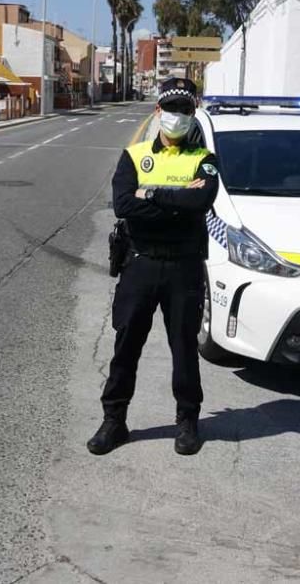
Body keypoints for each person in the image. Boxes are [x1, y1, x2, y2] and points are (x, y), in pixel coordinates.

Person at [87, 77, 219, 457]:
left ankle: (188, 421)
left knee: (183, 348)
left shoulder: (205, 160)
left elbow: (202, 203)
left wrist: (153, 195)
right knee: (126, 345)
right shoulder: (135, 155)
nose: (177, 116)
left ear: (193, 114)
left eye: (185, 109)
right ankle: (114, 421)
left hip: (184, 268)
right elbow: (124, 206)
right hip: (140, 264)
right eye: (171, 108)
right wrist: (177, 201)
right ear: (157, 110)